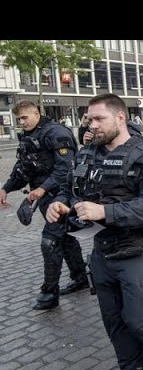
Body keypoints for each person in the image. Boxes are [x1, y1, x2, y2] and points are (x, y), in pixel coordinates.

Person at [45, 93, 143, 370]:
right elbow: (69, 189)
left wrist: (104, 212)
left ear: (120, 118)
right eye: (89, 119)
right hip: (101, 253)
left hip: (136, 252)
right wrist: (59, 203)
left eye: (99, 119)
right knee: (114, 322)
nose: (92, 125)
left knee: (140, 319)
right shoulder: (87, 154)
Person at [0, 100, 87, 310]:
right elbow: (23, 169)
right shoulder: (29, 136)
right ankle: (81, 278)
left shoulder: (57, 133)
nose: (21, 122)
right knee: (65, 238)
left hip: (61, 197)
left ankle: (49, 293)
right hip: (44, 197)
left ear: (36, 113)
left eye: (24, 117)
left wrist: (43, 188)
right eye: (18, 119)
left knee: (50, 242)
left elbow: (66, 168)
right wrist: (6, 188)